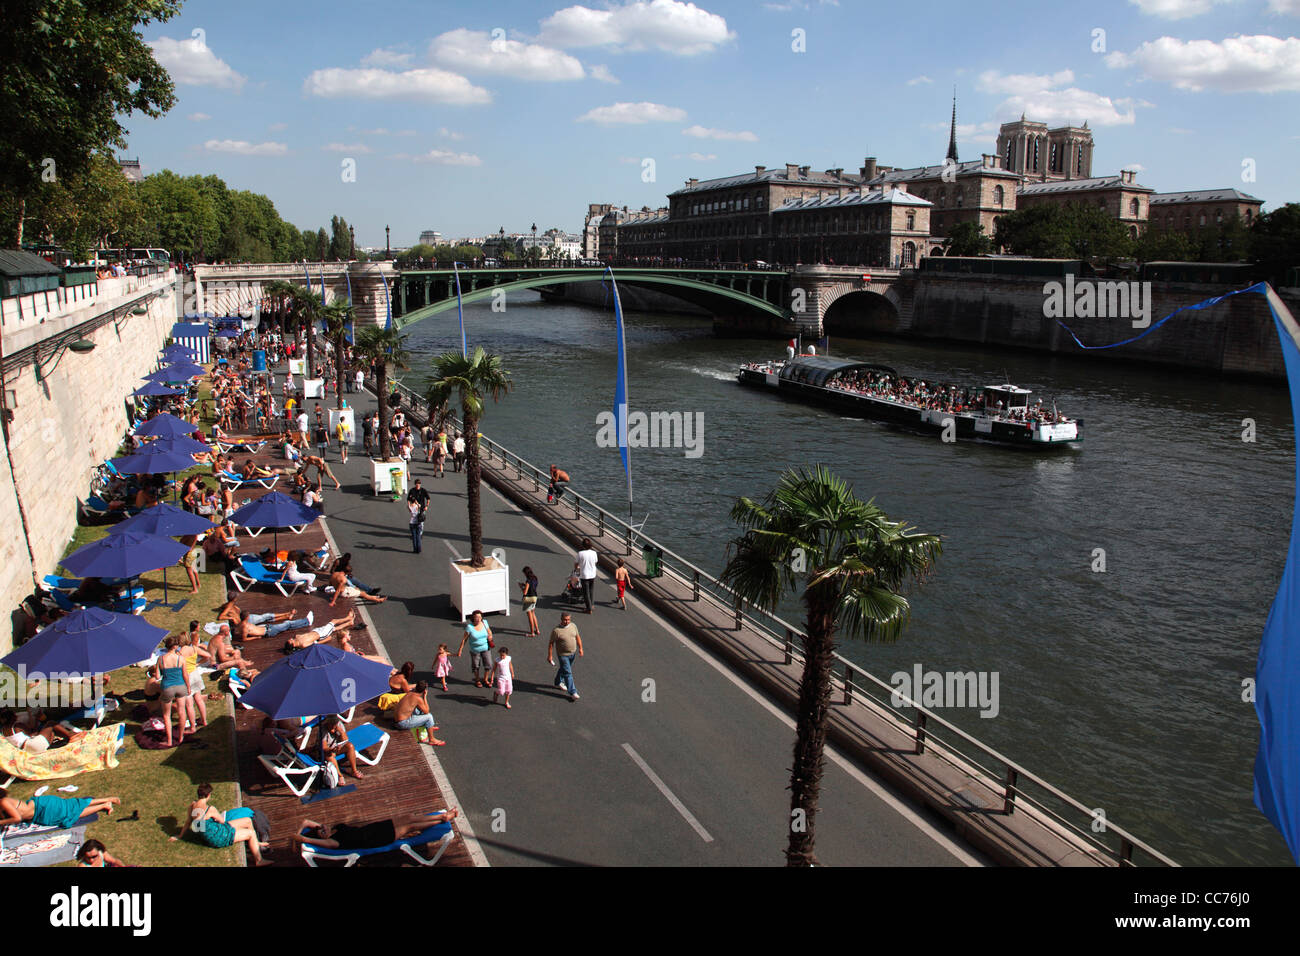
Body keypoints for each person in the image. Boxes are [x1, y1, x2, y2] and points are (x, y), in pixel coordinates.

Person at [175, 783, 270, 866]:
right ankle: (259, 860)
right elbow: (222, 822)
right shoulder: (210, 809)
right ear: (208, 795)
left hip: (211, 833)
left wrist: (180, 836)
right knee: (250, 833)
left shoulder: (192, 805)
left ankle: (256, 843)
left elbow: (188, 822)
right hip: (218, 837)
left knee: (248, 820)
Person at [292, 808, 460, 854]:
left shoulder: (332, 831)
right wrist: (296, 839)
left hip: (373, 828)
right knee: (411, 827)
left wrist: (306, 830)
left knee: (409, 817)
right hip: (376, 838)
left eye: (321, 826)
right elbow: (306, 840)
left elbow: (306, 821)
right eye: (322, 830)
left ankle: (442, 817)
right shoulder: (332, 842)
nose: (323, 827)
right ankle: (442, 818)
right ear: (322, 838)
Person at [0, 790, 121, 828]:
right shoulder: (2, 803)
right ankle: (104, 804)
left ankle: (106, 801)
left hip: (43, 808)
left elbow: (17, 818)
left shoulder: (3, 802)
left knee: (71, 811)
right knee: (72, 809)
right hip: (40, 812)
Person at [159, 636, 196, 747]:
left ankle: (169, 740)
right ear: (176, 646)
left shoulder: (161, 659)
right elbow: (185, 674)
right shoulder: (181, 658)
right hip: (181, 686)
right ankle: (180, 737)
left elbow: (157, 675)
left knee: (166, 715)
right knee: (182, 711)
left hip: (167, 686)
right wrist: (188, 687)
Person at [547, 613, 584, 701]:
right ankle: (573, 692)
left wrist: (581, 648)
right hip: (563, 655)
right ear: (561, 619)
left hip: (572, 653)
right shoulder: (556, 631)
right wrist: (550, 655)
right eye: (565, 620)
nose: (567, 621)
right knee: (568, 673)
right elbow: (551, 644)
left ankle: (558, 682)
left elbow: (577, 637)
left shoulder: (573, 626)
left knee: (564, 669)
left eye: (568, 619)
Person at [456, 610, 494, 687]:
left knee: (489, 664)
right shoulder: (469, 627)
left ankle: (485, 679)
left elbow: (489, 631)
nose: (478, 619)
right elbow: (464, 639)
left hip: (486, 648)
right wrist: (460, 650)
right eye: (476, 617)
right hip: (475, 650)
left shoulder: (484, 622)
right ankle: (477, 680)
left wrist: (490, 636)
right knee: (476, 666)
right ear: (473, 618)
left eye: (480, 617)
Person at [319, 716, 364, 780]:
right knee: (330, 755)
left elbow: (345, 740)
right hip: (327, 751)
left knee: (350, 746)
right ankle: (340, 775)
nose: (333, 725)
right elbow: (324, 747)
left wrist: (341, 732)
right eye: (331, 724)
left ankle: (354, 771)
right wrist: (331, 750)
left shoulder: (339, 724)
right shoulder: (323, 730)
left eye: (334, 723)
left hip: (337, 747)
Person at [236, 608, 313, 641]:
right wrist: (255, 638)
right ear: (247, 617)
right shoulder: (244, 627)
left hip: (267, 627)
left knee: (268, 617)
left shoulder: (242, 623)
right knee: (288, 624)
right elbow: (244, 639)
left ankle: (288, 615)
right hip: (269, 631)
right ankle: (307, 621)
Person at [407, 478, 429, 553]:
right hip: (419, 516)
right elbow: (412, 501)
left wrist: (426, 505)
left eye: (419, 484)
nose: (418, 485)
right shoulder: (417, 506)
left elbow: (428, 498)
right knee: (421, 524)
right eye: (417, 484)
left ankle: (415, 547)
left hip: (412, 522)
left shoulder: (412, 507)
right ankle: (419, 546)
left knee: (415, 536)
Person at [577, 538, 598, 614]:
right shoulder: (594, 553)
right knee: (591, 590)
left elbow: (577, 563)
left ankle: (588, 609)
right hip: (592, 574)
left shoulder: (580, 553)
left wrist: (577, 569)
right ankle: (591, 605)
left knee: (586, 592)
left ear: (583, 545)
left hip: (584, 575)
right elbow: (595, 563)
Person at [520, 566, 540, 636]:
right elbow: (532, 587)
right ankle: (537, 630)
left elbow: (525, 592)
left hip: (528, 598)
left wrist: (521, 587)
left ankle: (532, 632)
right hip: (534, 597)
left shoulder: (528, 581)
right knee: (533, 613)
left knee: (530, 616)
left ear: (526, 573)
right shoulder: (535, 578)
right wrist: (525, 585)